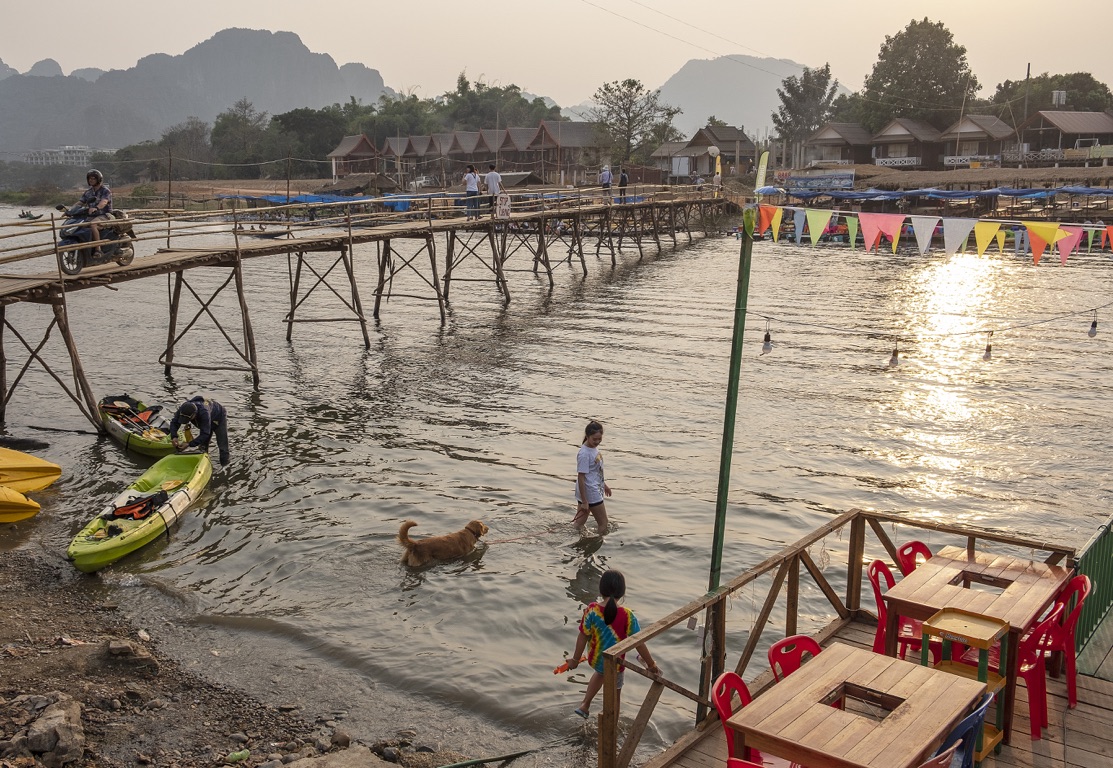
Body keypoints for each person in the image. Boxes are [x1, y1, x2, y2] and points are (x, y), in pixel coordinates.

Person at [566, 570, 659, 720]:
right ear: (622, 593)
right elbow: (639, 643)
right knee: (616, 695)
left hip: (596, 660)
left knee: (600, 673)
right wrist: (651, 664)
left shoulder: (591, 610)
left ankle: (585, 704)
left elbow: (582, 636)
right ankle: (612, 727)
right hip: (615, 664)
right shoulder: (627, 615)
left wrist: (575, 660)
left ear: (601, 590)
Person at [168, 396, 230, 467]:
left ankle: (225, 466)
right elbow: (174, 422)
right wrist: (174, 436)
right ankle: (203, 463)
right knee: (203, 446)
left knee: (223, 445)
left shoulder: (204, 413)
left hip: (219, 417)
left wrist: (189, 444)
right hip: (205, 417)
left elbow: (205, 433)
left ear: (194, 414)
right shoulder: (184, 408)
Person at [573, 420, 610, 534]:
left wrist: (604, 485)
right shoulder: (584, 454)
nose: (597, 441)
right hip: (590, 492)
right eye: (595, 439)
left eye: (600, 439)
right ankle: (599, 545)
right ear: (587, 436)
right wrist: (584, 501)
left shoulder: (592, 448)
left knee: (579, 523)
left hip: (592, 489)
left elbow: (595, 472)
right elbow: (581, 477)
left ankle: (574, 540)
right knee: (604, 524)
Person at [77, 169, 112, 257]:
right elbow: (80, 202)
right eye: (89, 179)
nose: (91, 180)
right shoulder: (88, 192)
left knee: (93, 224)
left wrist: (96, 208)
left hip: (105, 215)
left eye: (93, 178)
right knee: (79, 226)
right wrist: (69, 211)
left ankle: (98, 250)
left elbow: (104, 202)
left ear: (98, 179)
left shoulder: (105, 190)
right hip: (91, 216)